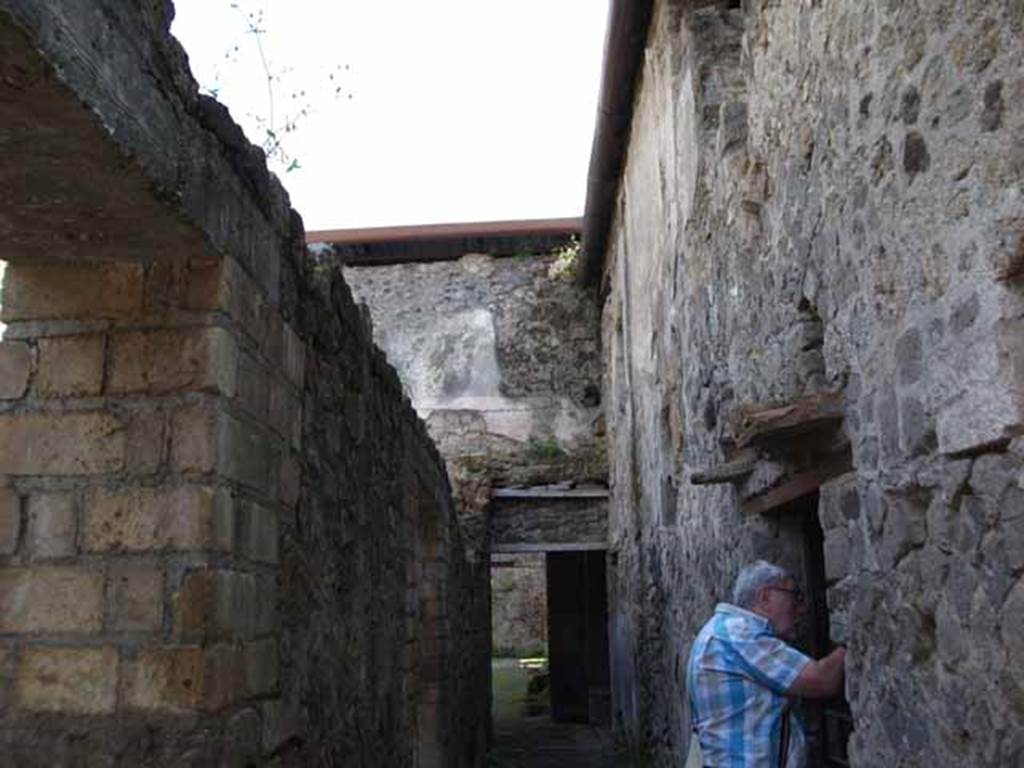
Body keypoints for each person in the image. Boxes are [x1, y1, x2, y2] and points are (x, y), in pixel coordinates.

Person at [686, 560, 846, 768]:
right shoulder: (739, 635)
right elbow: (822, 680)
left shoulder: (720, 631)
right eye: (795, 596)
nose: (802, 608)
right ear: (765, 597)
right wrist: (851, 642)